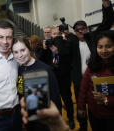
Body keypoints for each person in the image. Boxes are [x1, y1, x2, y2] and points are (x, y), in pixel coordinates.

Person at [71, 0, 114, 130]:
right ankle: (82, 127)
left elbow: (107, 22)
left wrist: (106, 5)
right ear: (75, 32)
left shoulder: (94, 37)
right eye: (77, 30)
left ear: (87, 28)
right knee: (84, 109)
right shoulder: (70, 43)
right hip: (81, 81)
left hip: (102, 78)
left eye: (83, 28)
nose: (80, 31)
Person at [12, 37, 62, 131]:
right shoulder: (18, 70)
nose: (20, 55)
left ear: (29, 49)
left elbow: (56, 100)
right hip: (29, 123)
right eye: (16, 52)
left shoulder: (45, 69)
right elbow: (20, 95)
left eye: (23, 50)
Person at [77, 30, 114, 131]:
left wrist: (105, 100)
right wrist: (81, 106)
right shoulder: (92, 66)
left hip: (111, 116)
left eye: (109, 46)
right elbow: (84, 88)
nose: (104, 50)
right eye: (100, 47)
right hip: (94, 114)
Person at [47, 25, 75, 129]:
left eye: (57, 34)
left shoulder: (66, 43)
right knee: (55, 101)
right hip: (53, 78)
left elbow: (68, 56)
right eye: (53, 34)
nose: (55, 36)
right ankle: (58, 120)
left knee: (67, 99)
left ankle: (71, 118)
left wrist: (58, 51)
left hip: (64, 77)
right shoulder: (48, 45)